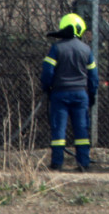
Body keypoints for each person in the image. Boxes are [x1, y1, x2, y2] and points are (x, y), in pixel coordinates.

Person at [41, 13, 99, 172]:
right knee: (81, 130)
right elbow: (93, 77)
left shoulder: (56, 48)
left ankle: (57, 164)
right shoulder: (86, 50)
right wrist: (92, 94)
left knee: (58, 130)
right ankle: (83, 164)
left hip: (59, 94)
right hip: (81, 95)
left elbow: (47, 71)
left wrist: (47, 87)